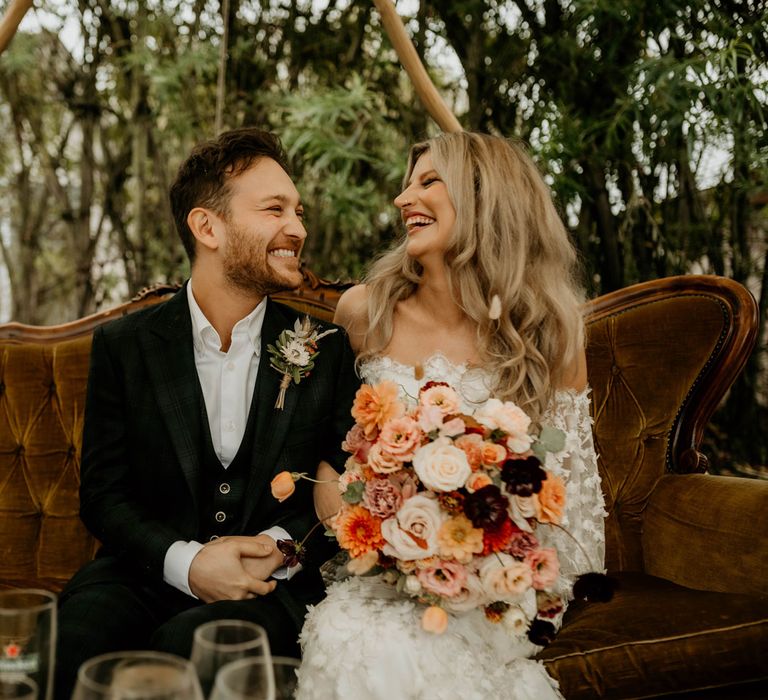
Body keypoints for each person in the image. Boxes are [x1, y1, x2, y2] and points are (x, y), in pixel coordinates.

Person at [297, 131, 607, 700]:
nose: (402, 199)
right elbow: (322, 448)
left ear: (485, 198)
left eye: (428, 181)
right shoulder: (364, 314)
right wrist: (346, 501)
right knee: (373, 652)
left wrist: (488, 566)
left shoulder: (551, 334)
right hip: (377, 578)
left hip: (497, 586)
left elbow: (574, 506)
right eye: (406, 184)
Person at [55, 127, 359, 697]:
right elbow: (103, 496)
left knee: (198, 650)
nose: (298, 228)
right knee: (73, 644)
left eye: (298, 211)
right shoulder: (124, 345)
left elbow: (337, 497)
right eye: (275, 209)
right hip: (141, 572)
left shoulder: (327, 348)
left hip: (270, 588)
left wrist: (273, 551)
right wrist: (188, 564)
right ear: (207, 227)